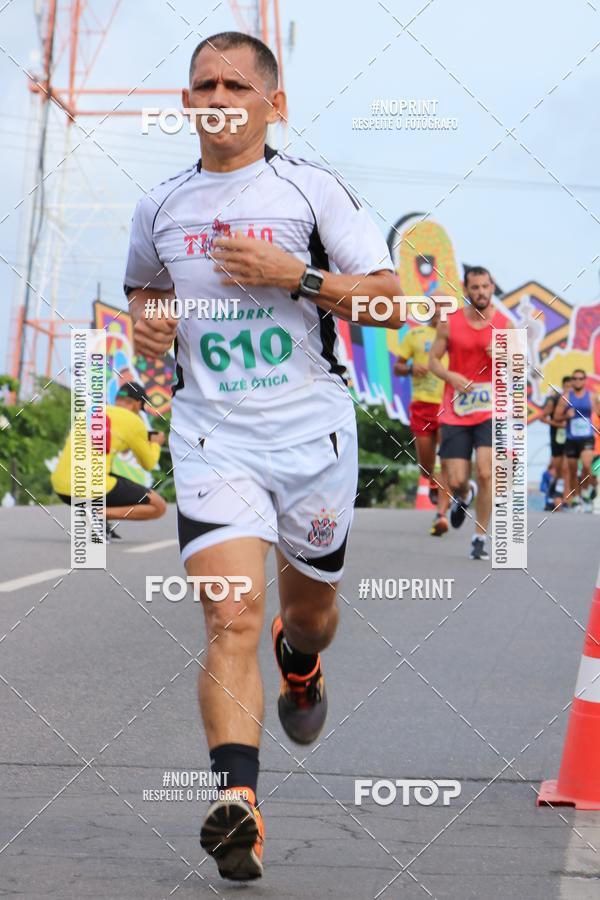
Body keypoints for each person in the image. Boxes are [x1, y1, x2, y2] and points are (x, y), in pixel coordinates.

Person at [125, 32, 399, 881]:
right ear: (187, 103)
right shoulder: (160, 206)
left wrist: (297, 276)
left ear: (273, 104)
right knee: (231, 615)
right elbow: (145, 289)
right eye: (204, 84)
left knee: (306, 617)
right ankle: (237, 804)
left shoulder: (311, 190)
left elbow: (391, 302)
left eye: (235, 85)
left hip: (313, 439)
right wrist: (149, 323)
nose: (218, 97)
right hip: (214, 440)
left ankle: (302, 662)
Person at [429, 266, 512, 560]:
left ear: (492, 288)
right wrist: (450, 376)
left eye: (485, 286)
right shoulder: (449, 323)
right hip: (456, 410)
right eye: (475, 287)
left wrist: (504, 356)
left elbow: (520, 367)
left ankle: (479, 537)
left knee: (487, 472)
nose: (481, 292)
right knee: (456, 479)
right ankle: (465, 494)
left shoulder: (505, 325)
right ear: (466, 290)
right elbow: (433, 360)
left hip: (489, 410)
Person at [51, 381, 166, 538]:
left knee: (106, 473)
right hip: (90, 488)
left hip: (62, 488)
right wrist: (156, 444)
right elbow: (149, 464)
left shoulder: (93, 412)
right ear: (138, 404)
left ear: (117, 399)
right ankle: (98, 514)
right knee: (158, 506)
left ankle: (99, 520)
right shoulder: (134, 421)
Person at [394, 303, 451, 535]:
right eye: (435, 307)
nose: (439, 312)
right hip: (422, 404)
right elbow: (397, 367)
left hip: (449, 404)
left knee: (446, 460)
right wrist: (410, 369)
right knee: (426, 467)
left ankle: (441, 515)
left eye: (444, 307)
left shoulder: (454, 336)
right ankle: (433, 481)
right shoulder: (415, 334)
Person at [555, 369, 600, 512]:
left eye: (580, 378)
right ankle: (577, 498)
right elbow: (556, 416)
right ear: (572, 380)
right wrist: (566, 416)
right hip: (571, 439)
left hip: (587, 438)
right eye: (575, 378)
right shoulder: (566, 397)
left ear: (585, 380)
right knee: (573, 471)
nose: (578, 381)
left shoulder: (591, 396)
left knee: (587, 466)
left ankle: (585, 492)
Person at [540, 375, 571, 510]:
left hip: (571, 439)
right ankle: (552, 494)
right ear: (563, 387)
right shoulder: (554, 400)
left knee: (567, 469)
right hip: (557, 438)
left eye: (572, 387)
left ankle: (566, 499)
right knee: (557, 469)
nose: (570, 390)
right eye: (567, 387)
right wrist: (558, 425)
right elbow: (542, 418)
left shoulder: (576, 401)